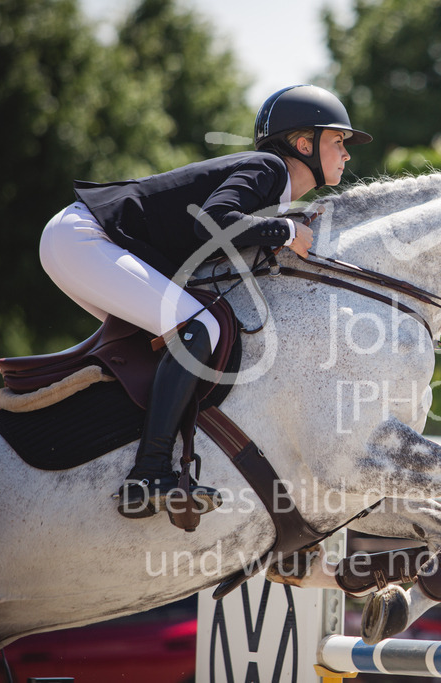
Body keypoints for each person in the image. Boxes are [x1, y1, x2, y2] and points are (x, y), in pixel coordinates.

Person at [38, 85, 371, 522]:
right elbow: (212, 221)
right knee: (199, 326)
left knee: (177, 340)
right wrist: (286, 233)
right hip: (85, 238)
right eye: (338, 141)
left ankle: (109, 454)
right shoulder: (269, 167)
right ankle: (149, 472)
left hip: (80, 242)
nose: (346, 154)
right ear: (303, 144)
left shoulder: (278, 193)